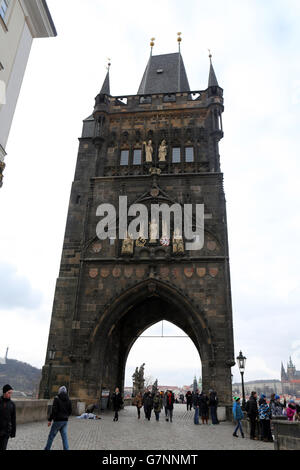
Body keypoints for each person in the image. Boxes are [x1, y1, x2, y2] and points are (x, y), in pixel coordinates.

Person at [44, 386, 72, 451]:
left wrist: (50, 420)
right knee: (64, 437)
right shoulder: (68, 399)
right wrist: (66, 416)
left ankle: (47, 449)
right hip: (65, 421)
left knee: (51, 436)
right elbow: (70, 411)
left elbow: (54, 411)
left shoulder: (57, 398)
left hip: (58, 421)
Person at [0, 384, 16, 451]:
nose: (10, 394)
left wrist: (13, 432)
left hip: (6, 432)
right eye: (9, 393)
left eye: (11, 393)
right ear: (4, 392)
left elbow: (13, 419)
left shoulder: (12, 404)